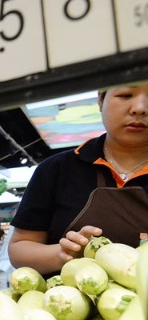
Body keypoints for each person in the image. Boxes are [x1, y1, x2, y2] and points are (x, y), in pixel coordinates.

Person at [9, 80, 148, 277]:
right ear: (101, 99)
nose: (140, 109)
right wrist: (61, 253)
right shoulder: (56, 170)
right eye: (126, 95)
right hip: (66, 303)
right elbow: (19, 248)